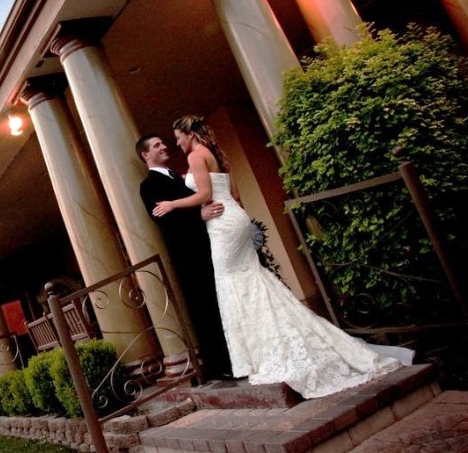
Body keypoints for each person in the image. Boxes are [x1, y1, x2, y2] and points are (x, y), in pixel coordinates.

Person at [152, 115, 412, 399]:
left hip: (223, 226)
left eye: (178, 135)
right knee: (252, 279)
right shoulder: (213, 152)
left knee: (233, 284)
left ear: (189, 134)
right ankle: (272, 343)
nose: (176, 141)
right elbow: (235, 194)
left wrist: (172, 204)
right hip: (235, 218)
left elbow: (203, 194)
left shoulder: (196, 156)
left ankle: (264, 353)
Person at [137, 133, 232, 380]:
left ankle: (236, 354)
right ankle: (219, 364)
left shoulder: (178, 177)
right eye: (157, 145)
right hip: (187, 254)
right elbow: (162, 218)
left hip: (209, 244)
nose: (164, 147)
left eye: (163, 143)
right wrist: (198, 216)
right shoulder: (148, 186)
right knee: (204, 306)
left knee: (223, 299)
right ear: (145, 154)